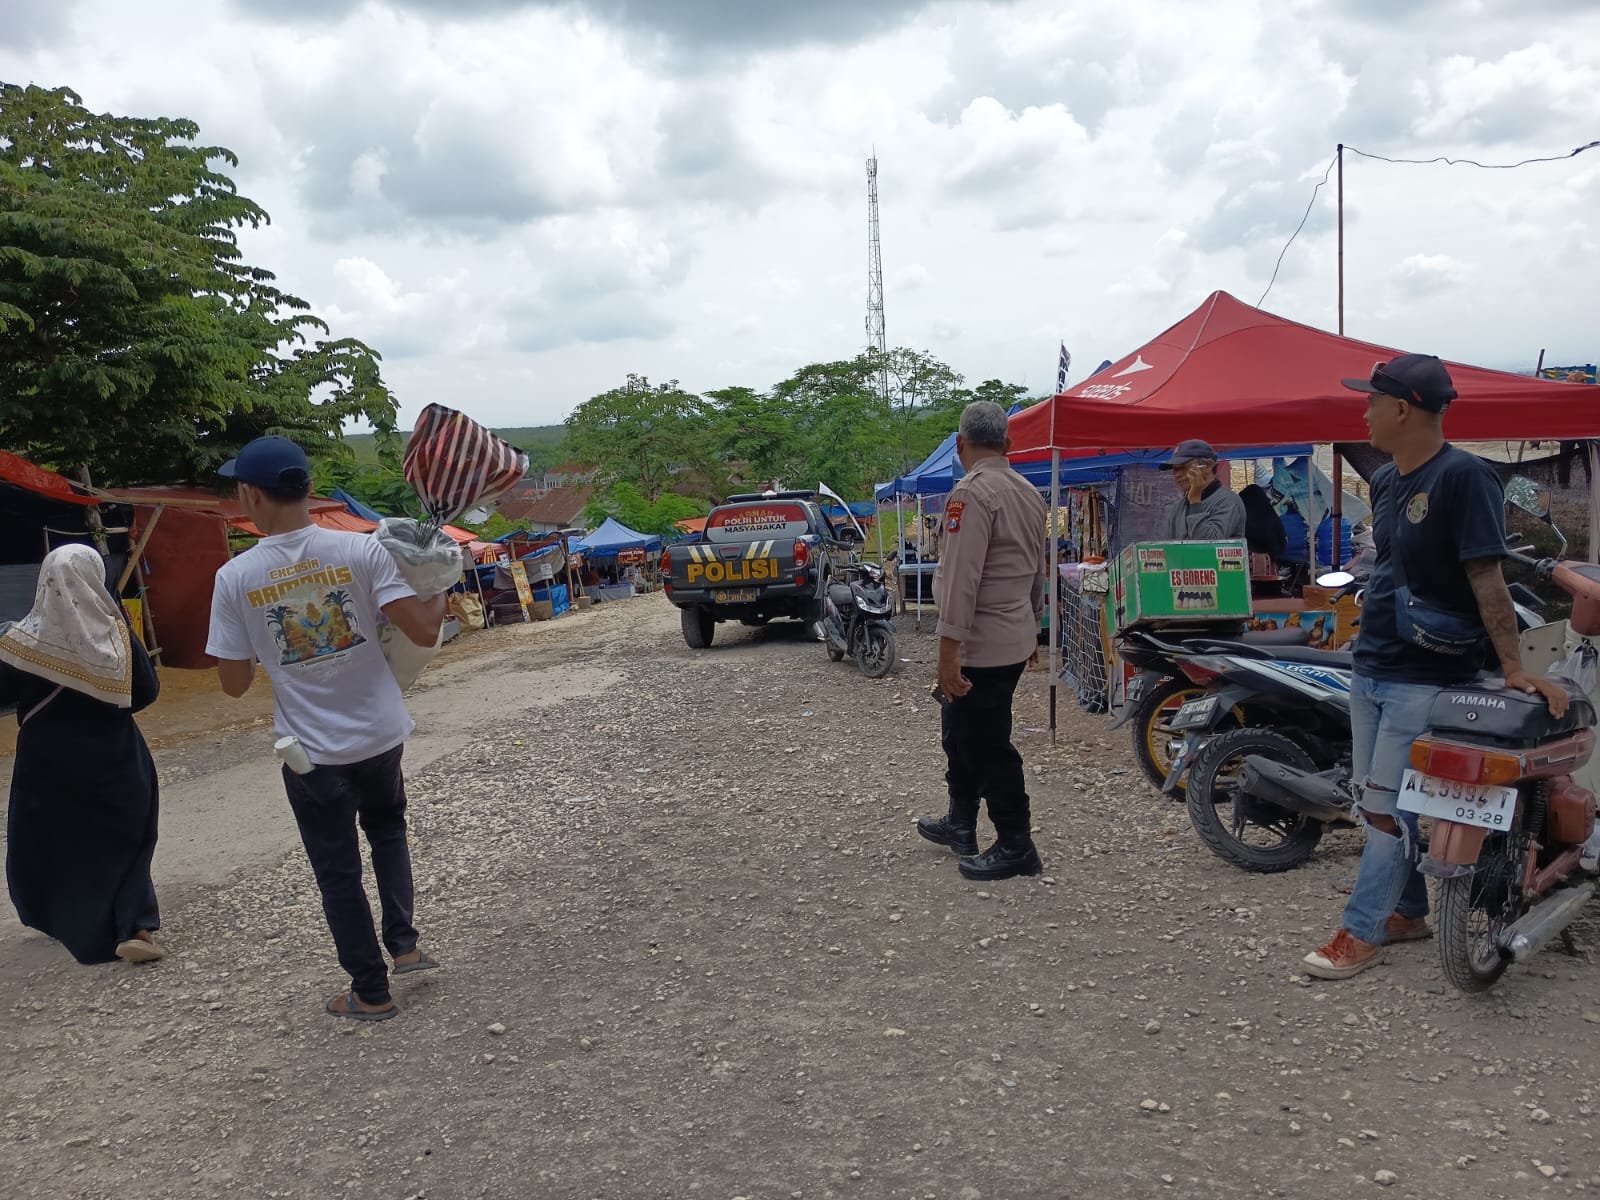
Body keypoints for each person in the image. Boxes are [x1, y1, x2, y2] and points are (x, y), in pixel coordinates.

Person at [1302, 354, 1567, 980]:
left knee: (1389, 808)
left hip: (1429, 676)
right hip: (1375, 663)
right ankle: (1411, 912)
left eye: (1370, 401)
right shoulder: (1391, 479)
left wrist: (1511, 666)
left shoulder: (1464, 478)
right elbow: (1390, 565)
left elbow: (1487, 576)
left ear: (1401, 409)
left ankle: (1360, 931)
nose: (1363, 412)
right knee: (1378, 801)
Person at [206, 437, 449, 1021]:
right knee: (388, 831)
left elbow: (233, 684)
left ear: (249, 495)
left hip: (312, 754)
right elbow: (421, 632)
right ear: (311, 490)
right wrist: (438, 591)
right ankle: (405, 947)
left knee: (337, 868)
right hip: (382, 734)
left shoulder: (234, 577)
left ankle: (370, 989)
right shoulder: (362, 551)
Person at [1, 544, 164, 965]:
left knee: (53, 839)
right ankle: (135, 927)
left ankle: (61, 917)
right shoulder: (119, 640)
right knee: (128, 841)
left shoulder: (18, 639)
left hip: (46, 763)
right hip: (115, 759)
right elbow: (146, 694)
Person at [915, 401, 1049, 881]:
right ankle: (961, 824)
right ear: (1009, 445)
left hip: (981, 643)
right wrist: (1033, 627)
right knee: (959, 732)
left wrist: (947, 653)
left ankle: (1017, 845)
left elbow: (959, 580)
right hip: (1012, 636)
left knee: (986, 744)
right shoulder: (1030, 492)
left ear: (960, 444)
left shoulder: (970, 494)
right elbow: (1039, 571)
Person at [1160, 439, 1247, 541]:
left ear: (1208, 466)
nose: (1178, 475)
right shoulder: (1179, 507)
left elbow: (1208, 546)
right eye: (1175, 469)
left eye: (1184, 467)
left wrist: (1195, 501)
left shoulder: (1229, 502)